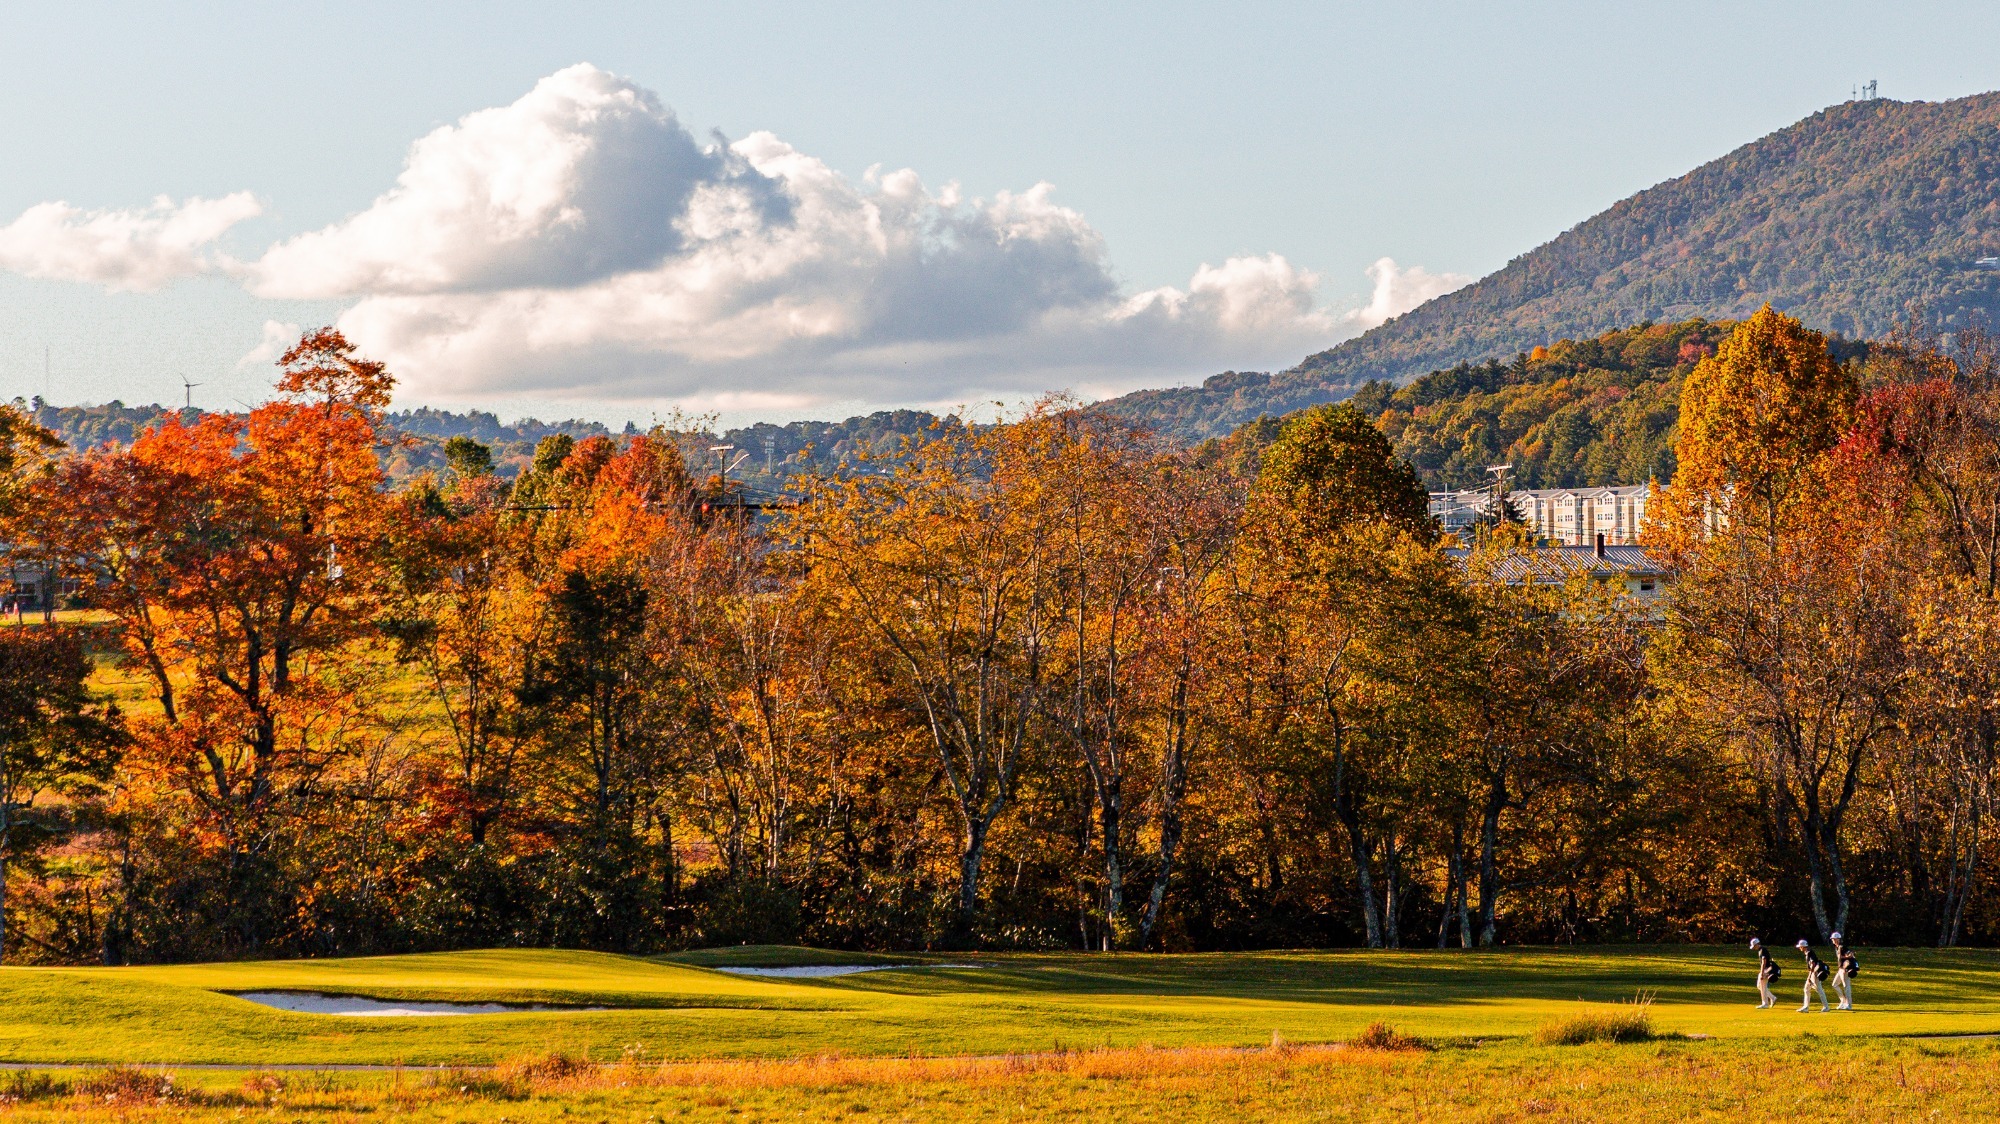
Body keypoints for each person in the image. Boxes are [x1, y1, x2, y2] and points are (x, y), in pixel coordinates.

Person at [1796, 940, 1831, 1012]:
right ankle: (1806, 1007)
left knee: (1819, 989)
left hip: (1814, 973)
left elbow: (1813, 964)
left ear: (1803, 947)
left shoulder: (1809, 953)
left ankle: (1826, 1007)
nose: (1799, 948)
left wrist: (1809, 976)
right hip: (1813, 973)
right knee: (1806, 989)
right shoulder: (1808, 953)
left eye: (1800, 947)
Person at [1829, 931, 1859, 1011]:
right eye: (1832, 939)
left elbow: (1849, 954)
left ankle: (1849, 1005)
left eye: (1834, 939)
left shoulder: (1842, 947)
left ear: (1837, 939)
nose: (1833, 940)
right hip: (1840, 969)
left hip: (1845, 969)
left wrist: (1847, 957)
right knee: (1834, 984)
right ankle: (1843, 1001)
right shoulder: (1837, 947)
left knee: (1846, 986)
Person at [1750, 939, 1781, 1008]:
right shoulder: (1762, 950)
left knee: (1762, 986)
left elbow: (1764, 962)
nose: (1754, 948)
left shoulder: (1762, 950)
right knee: (1760, 986)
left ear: (1757, 944)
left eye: (1754, 946)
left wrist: (1761, 973)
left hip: (1766, 970)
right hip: (1766, 969)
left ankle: (1765, 1003)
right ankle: (1772, 998)